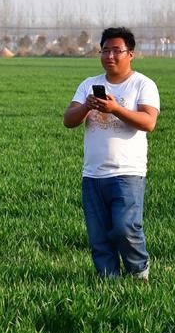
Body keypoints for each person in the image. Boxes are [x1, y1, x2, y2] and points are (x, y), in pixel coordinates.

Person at [63, 27, 160, 280]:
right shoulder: (89, 84)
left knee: (124, 228)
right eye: (105, 50)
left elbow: (148, 122)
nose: (110, 56)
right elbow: (69, 120)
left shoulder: (142, 84)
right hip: (93, 175)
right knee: (98, 235)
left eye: (117, 51)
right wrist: (87, 105)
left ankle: (139, 272)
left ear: (131, 54)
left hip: (127, 174)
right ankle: (108, 281)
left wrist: (115, 108)